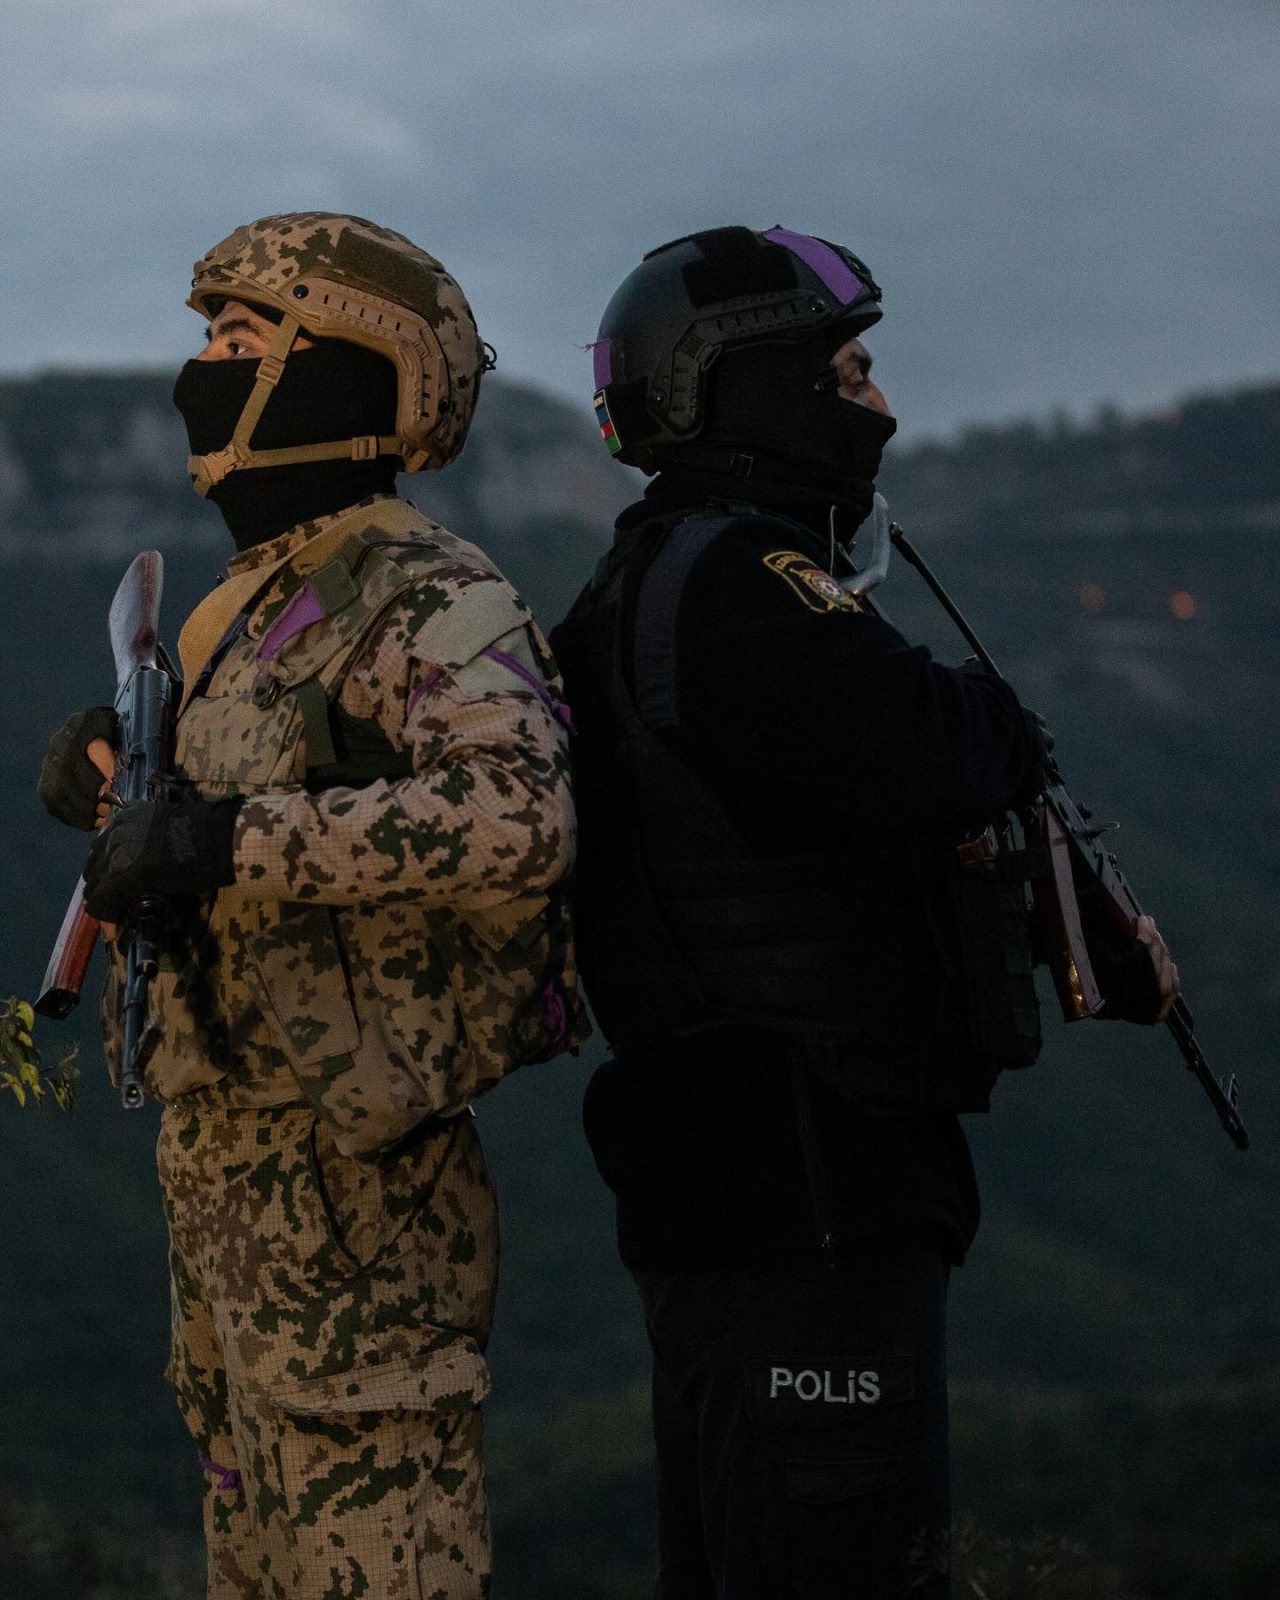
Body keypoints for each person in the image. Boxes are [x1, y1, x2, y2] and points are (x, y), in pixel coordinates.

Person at [550, 224, 1179, 1599]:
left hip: (739, 1185)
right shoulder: (736, 584)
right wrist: (1001, 719)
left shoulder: (639, 580)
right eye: (848, 369)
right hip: (806, 1189)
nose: (878, 402)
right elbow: (939, 746)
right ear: (755, 387)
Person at [37, 211, 587, 1599]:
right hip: (226, 1177)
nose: (200, 380)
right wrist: (120, 789)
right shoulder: (249, 605)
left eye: (239, 345)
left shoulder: (424, 589)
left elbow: (520, 819)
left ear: (348, 372)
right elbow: (229, 827)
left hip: (361, 1200)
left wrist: (220, 840)